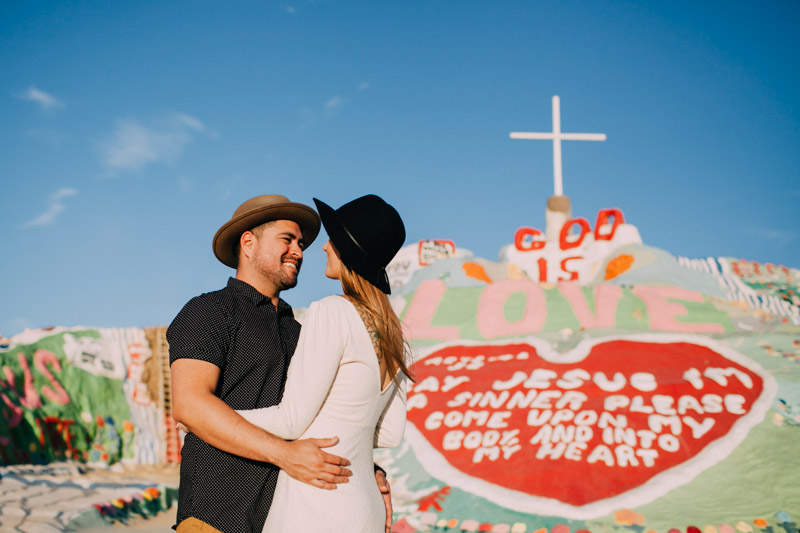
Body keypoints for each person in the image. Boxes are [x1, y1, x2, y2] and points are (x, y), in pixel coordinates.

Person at [167, 194, 392, 533]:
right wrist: (284, 454)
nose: (299, 252)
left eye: (300, 243)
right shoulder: (209, 312)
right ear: (248, 243)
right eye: (287, 240)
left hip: (288, 516)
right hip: (215, 515)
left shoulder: (302, 331)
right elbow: (189, 404)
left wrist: (365, 467)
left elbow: (325, 420)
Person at [233, 194, 412, 532]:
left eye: (333, 239)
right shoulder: (394, 333)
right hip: (364, 508)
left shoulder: (333, 310)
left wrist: (207, 420)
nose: (324, 248)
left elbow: (290, 421)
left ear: (346, 249)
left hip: (316, 501)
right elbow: (390, 432)